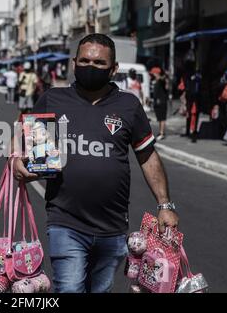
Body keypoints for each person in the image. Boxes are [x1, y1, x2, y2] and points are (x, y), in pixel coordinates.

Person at [12, 33, 179, 293]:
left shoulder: (128, 105)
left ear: (114, 69)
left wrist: (165, 205)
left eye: (100, 63)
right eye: (85, 61)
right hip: (65, 221)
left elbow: (147, 155)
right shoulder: (53, 99)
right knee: (69, 288)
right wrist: (16, 160)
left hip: (112, 227)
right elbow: (23, 138)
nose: (91, 67)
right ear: (73, 62)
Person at [150, 67, 169, 141]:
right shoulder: (155, 81)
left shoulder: (161, 81)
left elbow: (164, 78)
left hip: (162, 102)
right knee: (159, 118)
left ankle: (162, 133)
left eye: (153, 73)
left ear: (156, 73)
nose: (152, 75)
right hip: (157, 102)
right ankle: (160, 132)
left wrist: (164, 75)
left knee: (162, 118)